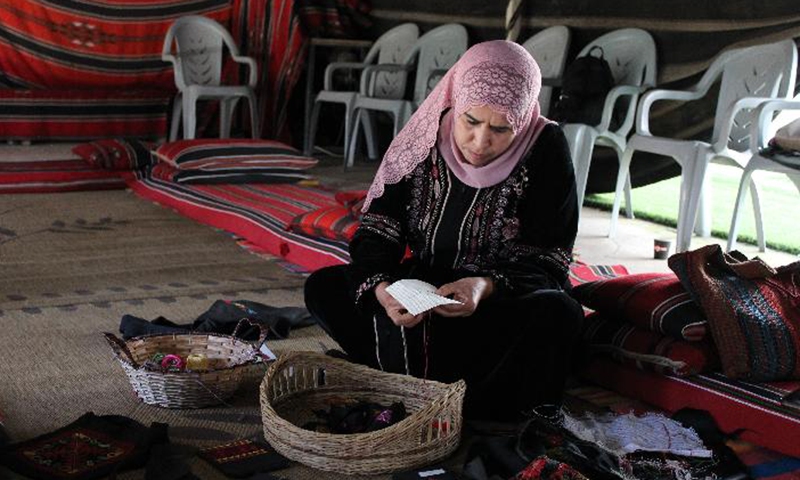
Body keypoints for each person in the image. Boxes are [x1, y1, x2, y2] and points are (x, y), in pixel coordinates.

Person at [305, 40, 583, 422]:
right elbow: (379, 229)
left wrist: (483, 287)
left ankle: (434, 387)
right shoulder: (425, 136)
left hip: (498, 303)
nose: (480, 142)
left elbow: (548, 258)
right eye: (471, 121)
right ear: (457, 101)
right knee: (325, 286)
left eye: (501, 129)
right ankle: (443, 382)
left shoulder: (546, 146)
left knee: (559, 313)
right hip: (425, 295)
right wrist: (384, 290)